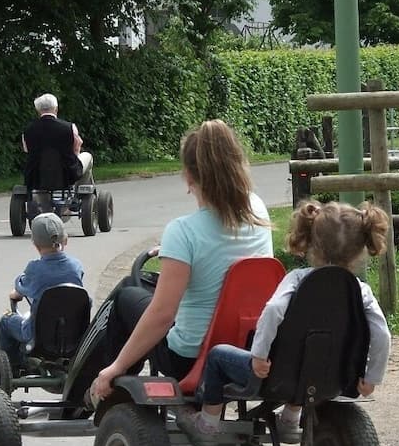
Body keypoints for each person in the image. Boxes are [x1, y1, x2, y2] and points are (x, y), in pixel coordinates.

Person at [177, 200, 392, 446]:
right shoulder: (359, 291)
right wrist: (371, 377)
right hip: (332, 376)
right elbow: (381, 333)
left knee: (217, 356)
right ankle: (290, 421)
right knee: (311, 357)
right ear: (359, 249)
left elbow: (273, 310)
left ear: (312, 244)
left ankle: (207, 424)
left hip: (277, 376)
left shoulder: (298, 280)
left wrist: (258, 355)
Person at [89, 119, 273, 401]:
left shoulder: (183, 231)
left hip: (188, 358)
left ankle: (108, 382)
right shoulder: (257, 209)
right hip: (246, 348)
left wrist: (117, 366)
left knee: (127, 294)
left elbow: (163, 316)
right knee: (144, 292)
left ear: (188, 176)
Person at [0, 213, 85, 368]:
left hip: (36, 334)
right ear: (65, 240)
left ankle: (12, 367)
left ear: (35, 244)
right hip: (72, 334)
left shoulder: (34, 270)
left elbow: (20, 287)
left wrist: (15, 294)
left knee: (5, 321)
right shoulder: (76, 266)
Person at [21, 93, 93, 205]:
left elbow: (27, 151)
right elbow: (76, 148)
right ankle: (79, 194)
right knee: (88, 156)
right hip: (66, 174)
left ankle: (44, 210)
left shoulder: (28, 129)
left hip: (37, 175)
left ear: (38, 110)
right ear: (56, 108)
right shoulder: (69, 127)